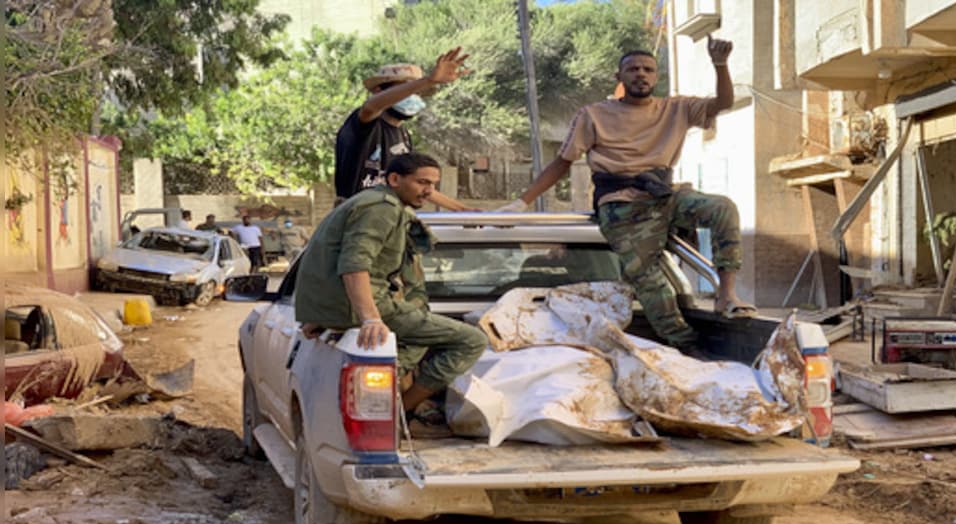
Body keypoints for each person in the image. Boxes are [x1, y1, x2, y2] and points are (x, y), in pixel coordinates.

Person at [499, 38, 756, 353]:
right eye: (632, 69)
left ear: (655, 77)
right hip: (621, 205)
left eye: (648, 69)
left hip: (664, 196)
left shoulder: (674, 108)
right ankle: (686, 347)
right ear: (619, 77)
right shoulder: (593, 114)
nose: (641, 74)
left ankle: (726, 295)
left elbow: (723, 103)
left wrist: (720, 65)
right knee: (652, 282)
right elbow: (562, 163)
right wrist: (522, 202)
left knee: (722, 208)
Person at [295, 153, 487, 435]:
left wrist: (462, 209)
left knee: (419, 334)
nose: (429, 191)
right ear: (395, 179)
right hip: (365, 304)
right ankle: (400, 410)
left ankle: (392, 397)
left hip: (345, 306)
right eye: (422, 182)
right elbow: (354, 265)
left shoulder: (377, 202)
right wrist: (370, 318)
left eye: (433, 185)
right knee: (472, 340)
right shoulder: (382, 209)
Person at [335, 48, 472, 211]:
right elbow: (371, 107)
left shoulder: (404, 135)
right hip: (357, 214)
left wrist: (464, 210)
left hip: (388, 215)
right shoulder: (365, 125)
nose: (412, 97)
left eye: (417, 92)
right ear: (379, 91)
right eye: (406, 89)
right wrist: (428, 80)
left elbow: (421, 187)